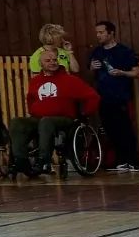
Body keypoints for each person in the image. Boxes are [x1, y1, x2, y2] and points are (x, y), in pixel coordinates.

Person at [8, 48, 100, 176]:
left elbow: (93, 96)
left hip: (64, 119)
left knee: (46, 121)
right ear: (41, 64)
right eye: (48, 60)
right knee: (17, 122)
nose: (52, 62)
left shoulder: (70, 80)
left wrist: (85, 113)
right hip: (40, 118)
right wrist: (34, 111)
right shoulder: (35, 81)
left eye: (54, 60)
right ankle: (20, 160)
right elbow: (30, 99)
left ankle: (43, 161)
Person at [89, 19, 139, 172]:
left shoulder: (124, 51)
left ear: (111, 33)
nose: (98, 35)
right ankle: (120, 160)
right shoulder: (97, 52)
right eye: (97, 33)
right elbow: (91, 72)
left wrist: (122, 73)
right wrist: (92, 67)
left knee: (125, 129)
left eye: (101, 32)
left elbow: (137, 73)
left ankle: (133, 161)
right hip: (103, 97)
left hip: (121, 97)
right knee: (110, 130)